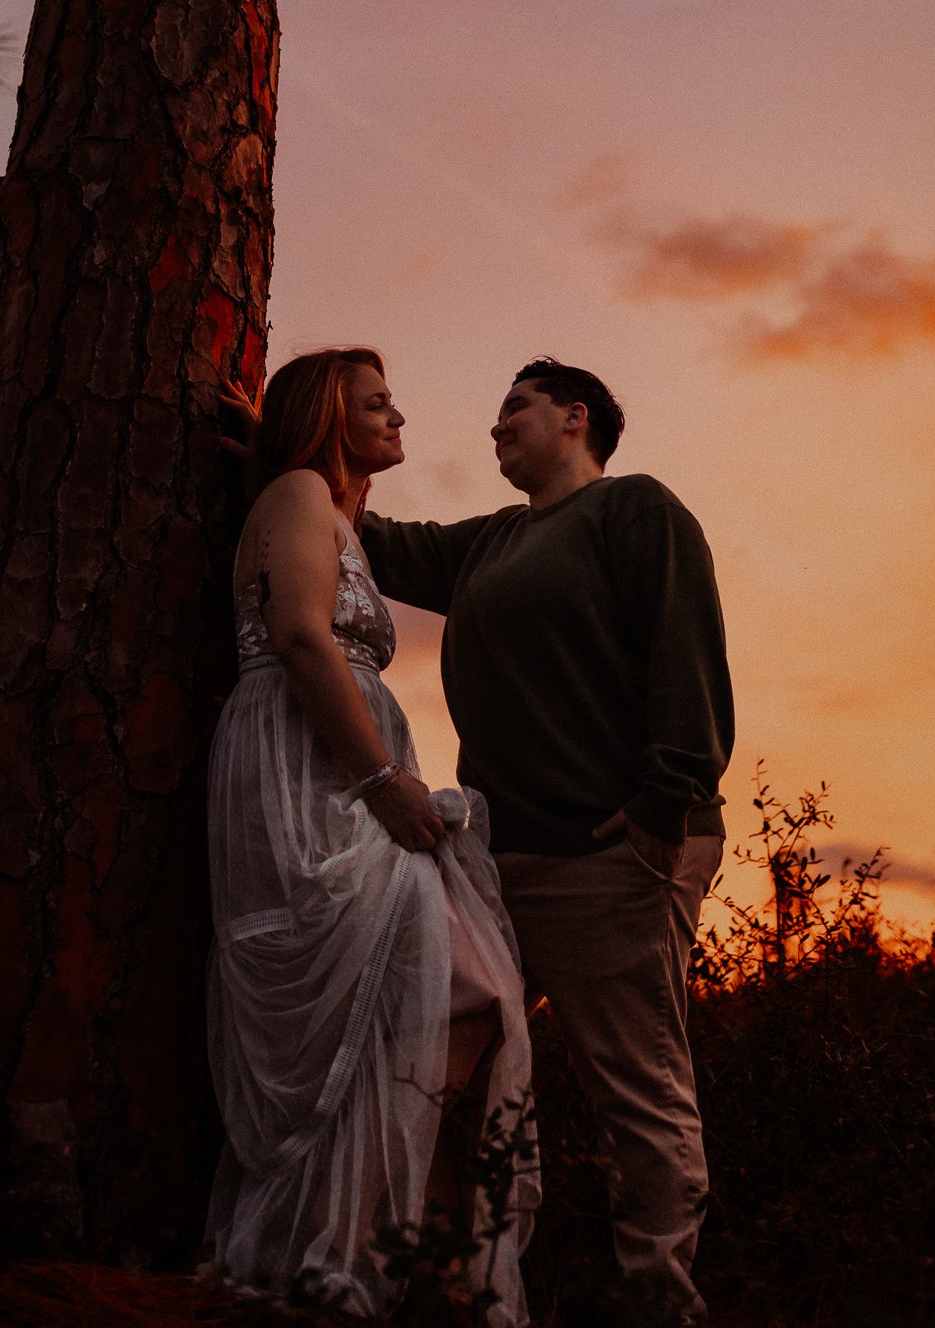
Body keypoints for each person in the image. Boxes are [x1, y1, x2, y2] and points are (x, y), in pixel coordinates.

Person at [359, 358, 734, 1324]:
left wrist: (664, 802)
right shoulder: (490, 542)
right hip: (495, 861)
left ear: (576, 419)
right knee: (444, 1060)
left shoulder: (633, 512)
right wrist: (289, 451)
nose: (495, 428)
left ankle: (661, 1303)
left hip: (610, 853)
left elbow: (682, 649)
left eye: (514, 408)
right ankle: (455, 1287)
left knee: (634, 1086)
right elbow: (375, 546)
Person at [205, 348, 537, 1322]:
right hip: (311, 778)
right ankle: (325, 1259)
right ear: (328, 416)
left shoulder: (339, 514)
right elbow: (305, 635)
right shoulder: (301, 491)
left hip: (346, 775)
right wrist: (383, 778)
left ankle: (362, 1248)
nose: (400, 416)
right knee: (408, 1003)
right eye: (376, 402)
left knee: (455, 997)